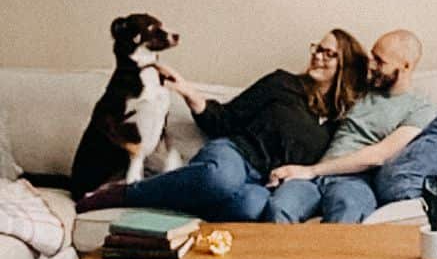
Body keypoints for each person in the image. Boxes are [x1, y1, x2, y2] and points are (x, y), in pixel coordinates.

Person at [256, 28, 437, 259]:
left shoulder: (420, 109)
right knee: (279, 208)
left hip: (352, 181)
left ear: (406, 66)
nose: (371, 64)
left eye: (380, 60)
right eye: (371, 55)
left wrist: (309, 171)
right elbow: (325, 71)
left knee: (344, 219)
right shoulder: (359, 88)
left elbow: (379, 155)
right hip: (313, 172)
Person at [73, 29, 367, 221]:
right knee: (220, 180)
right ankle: (122, 193)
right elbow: (224, 118)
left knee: (249, 210)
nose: (317, 56)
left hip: (264, 183)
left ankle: (176, 208)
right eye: (317, 48)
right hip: (234, 155)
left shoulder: (344, 120)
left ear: (346, 66)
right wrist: (187, 91)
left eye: (329, 53)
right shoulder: (282, 82)